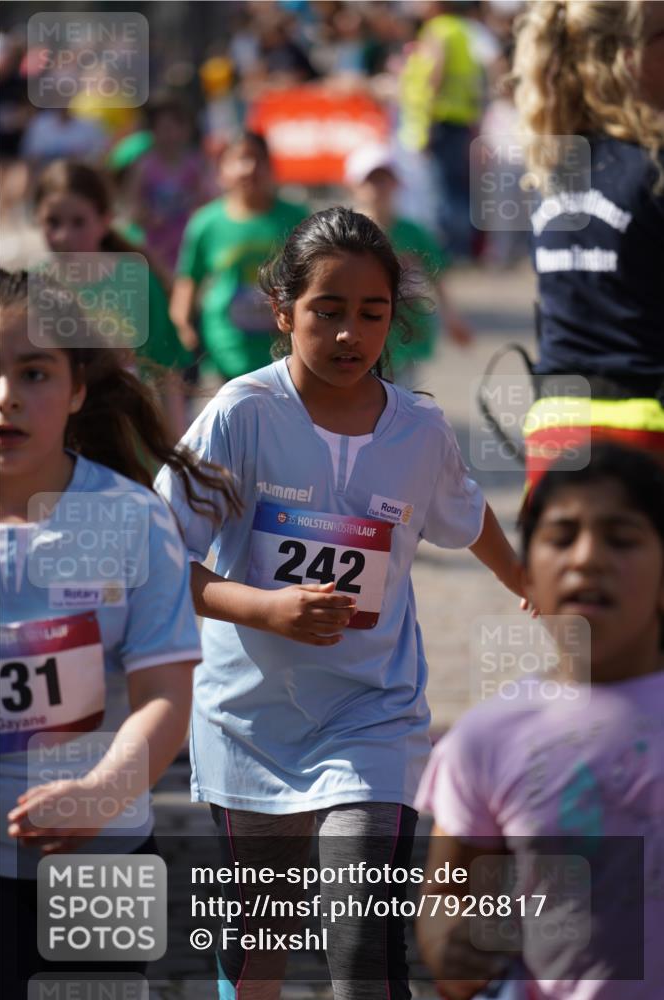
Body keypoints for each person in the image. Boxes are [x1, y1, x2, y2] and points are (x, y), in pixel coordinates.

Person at [156, 207, 529, 999]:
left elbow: (466, 515)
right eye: (326, 310)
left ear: (394, 319)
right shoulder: (239, 416)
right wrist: (263, 609)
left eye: (371, 313)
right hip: (249, 721)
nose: (348, 334)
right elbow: (155, 563)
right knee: (261, 941)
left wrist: (526, 581)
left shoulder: (419, 429)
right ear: (281, 310)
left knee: (362, 941)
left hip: (371, 714)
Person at [0, 269, 241, 998]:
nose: (6, 395)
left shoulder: (132, 520)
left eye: (34, 372)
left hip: (103, 857)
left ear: (78, 389)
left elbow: (164, 695)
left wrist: (101, 793)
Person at [416, 444, 664, 999]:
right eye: (562, 537)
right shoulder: (486, 740)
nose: (588, 558)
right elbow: (445, 902)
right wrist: (451, 946)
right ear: (526, 578)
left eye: (622, 539)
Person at [512, 0, 664, 493]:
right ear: (627, 56)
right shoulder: (654, 169)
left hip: (555, 428)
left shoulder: (550, 170)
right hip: (645, 426)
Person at [33, 159, 193, 441]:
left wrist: (177, 451)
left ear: (105, 221)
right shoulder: (34, 286)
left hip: (126, 443)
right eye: (53, 222)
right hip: (58, 445)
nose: (64, 236)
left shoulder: (135, 279)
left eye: (79, 222)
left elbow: (168, 373)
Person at [170, 131, 308, 384]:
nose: (249, 168)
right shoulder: (207, 224)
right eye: (239, 159)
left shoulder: (297, 219)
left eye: (257, 159)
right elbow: (188, 280)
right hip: (224, 352)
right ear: (221, 170)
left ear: (270, 166)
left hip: (285, 355)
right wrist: (183, 327)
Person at [345, 142, 474, 387]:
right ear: (353, 185)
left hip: (405, 335)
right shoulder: (344, 233)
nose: (378, 188)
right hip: (361, 335)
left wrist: (451, 317)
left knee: (401, 398)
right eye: (371, 180)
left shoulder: (414, 232)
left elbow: (436, 275)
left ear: (396, 183)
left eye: (384, 179)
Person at [402, 1, 484, 259]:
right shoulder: (461, 30)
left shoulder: (437, 30)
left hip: (441, 119)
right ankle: (462, 248)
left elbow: (435, 74)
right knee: (456, 188)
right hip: (459, 119)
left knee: (444, 191)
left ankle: (451, 252)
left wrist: (425, 121)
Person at [128, 92, 216, 274]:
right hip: (156, 248)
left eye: (174, 127)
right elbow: (133, 208)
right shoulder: (144, 167)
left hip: (189, 246)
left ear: (186, 129)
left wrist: (194, 213)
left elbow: (208, 202)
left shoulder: (196, 165)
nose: (168, 134)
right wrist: (148, 217)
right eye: (162, 128)